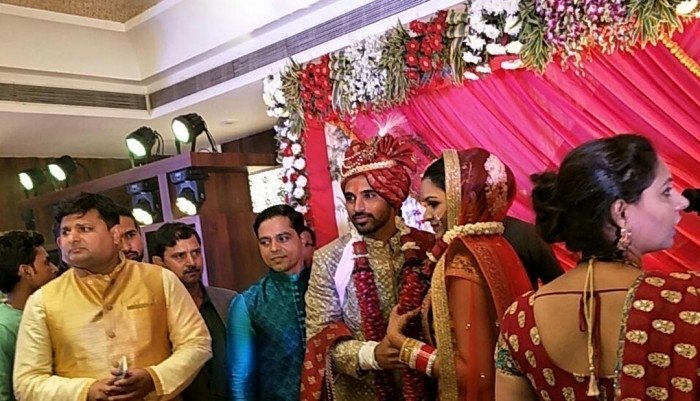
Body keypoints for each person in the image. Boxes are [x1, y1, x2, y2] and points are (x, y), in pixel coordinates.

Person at [495, 134, 698, 400]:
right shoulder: (689, 298)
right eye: (666, 192)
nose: (683, 203)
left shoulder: (520, 318)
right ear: (620, 213)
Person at [13, 192, 212, 401]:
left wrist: (154, 378)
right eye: (66, 231)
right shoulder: (43, 301)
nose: (72, 238)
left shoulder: (160, 280)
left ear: (115, 235)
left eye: (84, 229)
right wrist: (85, 391)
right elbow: (27, 382)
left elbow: (196, 343)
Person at [386, 149, 533, 401]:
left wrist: (401, 343)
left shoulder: (462, 264)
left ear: (464, 200)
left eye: (433, 204)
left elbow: (472, 374)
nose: (426, 216)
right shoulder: (497, 246)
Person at [302, 134, 435, 400]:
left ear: (393, 196)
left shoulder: (427, 248)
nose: (357, 207)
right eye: (350, 198)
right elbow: (319, 338)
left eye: (369, 195)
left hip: (429, 386)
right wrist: (371, 355)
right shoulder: (329, 259)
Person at [228, 205, 310, 400]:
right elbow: (241, 379)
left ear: (302, 239)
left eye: (283, 238)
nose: (274, 249)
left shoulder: (328, 286)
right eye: (265, 242)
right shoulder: (248, 303)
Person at [151, 222, 236, 401]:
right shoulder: (154, 313)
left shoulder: (228, 301)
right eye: (179, 256)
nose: (191, 262)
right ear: (159, 263)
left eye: (196, 252)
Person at [0, 230, 57, 401]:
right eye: (46, 263)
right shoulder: (4, 328)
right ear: (26, 271)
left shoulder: (50, 312)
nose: (54, 269)